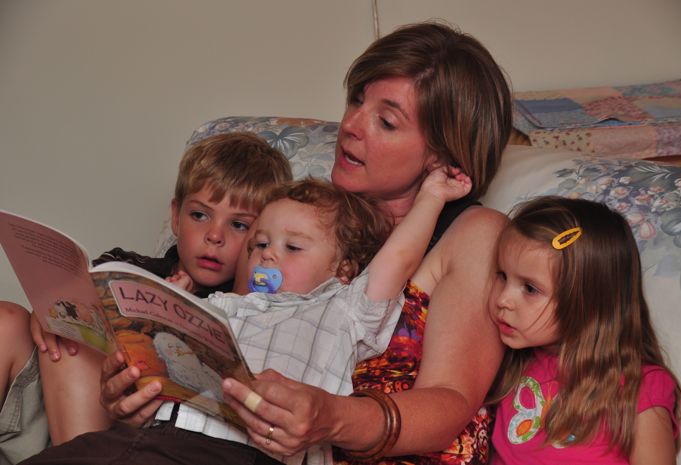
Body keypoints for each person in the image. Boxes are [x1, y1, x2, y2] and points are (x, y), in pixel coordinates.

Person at [27, 20, 513, 465]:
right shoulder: (293, 217)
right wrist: (132, 395)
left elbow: (449, 401)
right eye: (356, 100)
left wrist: (334, 417)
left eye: (385, 121)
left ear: (442, 157)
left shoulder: (472, 233)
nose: (350, 125)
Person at [0, 132, 291, 463]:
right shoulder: (127, 266)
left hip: (127, 433)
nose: (214, 235)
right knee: (7, 320)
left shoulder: (248, 309)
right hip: (55, 404)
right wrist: (46, 313)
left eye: (238, 225)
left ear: (262, 235)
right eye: (200, 215)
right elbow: (64, 306)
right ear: (176, 216)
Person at [158, 173, 470, 465]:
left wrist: (432, 196)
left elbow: (398, 259)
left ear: (344, 269)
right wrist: (174, 305)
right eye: (261, 244)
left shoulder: (344, 309)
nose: (268, 255)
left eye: (292, 247)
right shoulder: (223, 304)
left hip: (257, 452)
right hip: (167, 433)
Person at [486, 196, 681, 465]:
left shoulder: (638, 388)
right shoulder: (511, 360)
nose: (503, 299)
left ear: (589, 303)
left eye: (530, 289)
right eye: (502, 275)